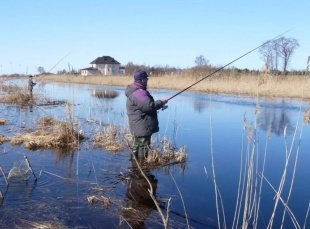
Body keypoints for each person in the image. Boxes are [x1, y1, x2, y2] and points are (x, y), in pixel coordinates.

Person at [125, 70, 167, 162]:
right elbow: (149, 106)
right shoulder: (138, 93)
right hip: (142, 127)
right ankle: (141, 169)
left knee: (137, 147)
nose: (147, 81)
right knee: (143, 149)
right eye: (146, 79)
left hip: (138, 126)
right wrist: (161, 102)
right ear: (142, 80)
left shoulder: (134, 91)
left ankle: (135, 168)